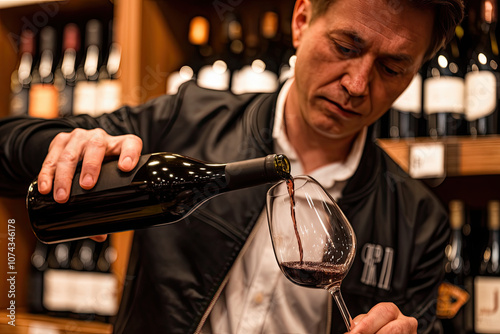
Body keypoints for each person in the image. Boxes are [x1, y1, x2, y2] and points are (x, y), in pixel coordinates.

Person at [0, 0, 464, 333]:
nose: (358, 84)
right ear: (301, 21)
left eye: (392, 68)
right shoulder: (188, 120)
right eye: (345, 46)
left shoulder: (419, 220)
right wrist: (61, 145)